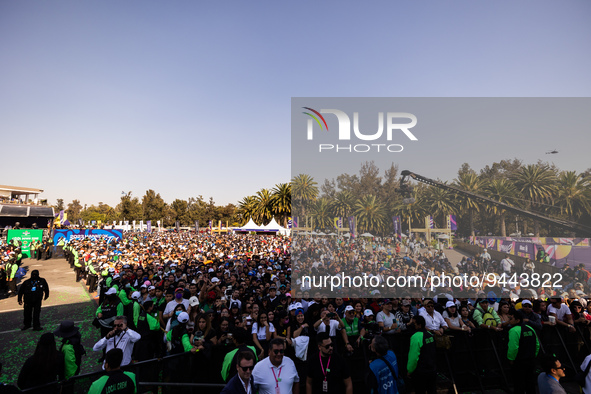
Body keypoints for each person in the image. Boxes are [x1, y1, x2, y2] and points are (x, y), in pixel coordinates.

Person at [507, 310, 540, 394]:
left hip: (519, 361)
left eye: (511, 318)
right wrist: (534, 356)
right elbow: (537, 345)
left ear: (517, 320)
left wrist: (511, 359)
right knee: (530, 382)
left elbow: (513, 347)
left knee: (519, 384)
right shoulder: (530, 328)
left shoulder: (514, 330)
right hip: (531, 360)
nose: (509, 320)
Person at [407, 315, 437, 394]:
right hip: (432, 369)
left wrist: (409, 370)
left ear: (419, 325)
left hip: (421, 372)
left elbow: (413, 357)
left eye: (414, 323)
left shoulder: (416, 337)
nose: (412, 325)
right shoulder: (430, 334)